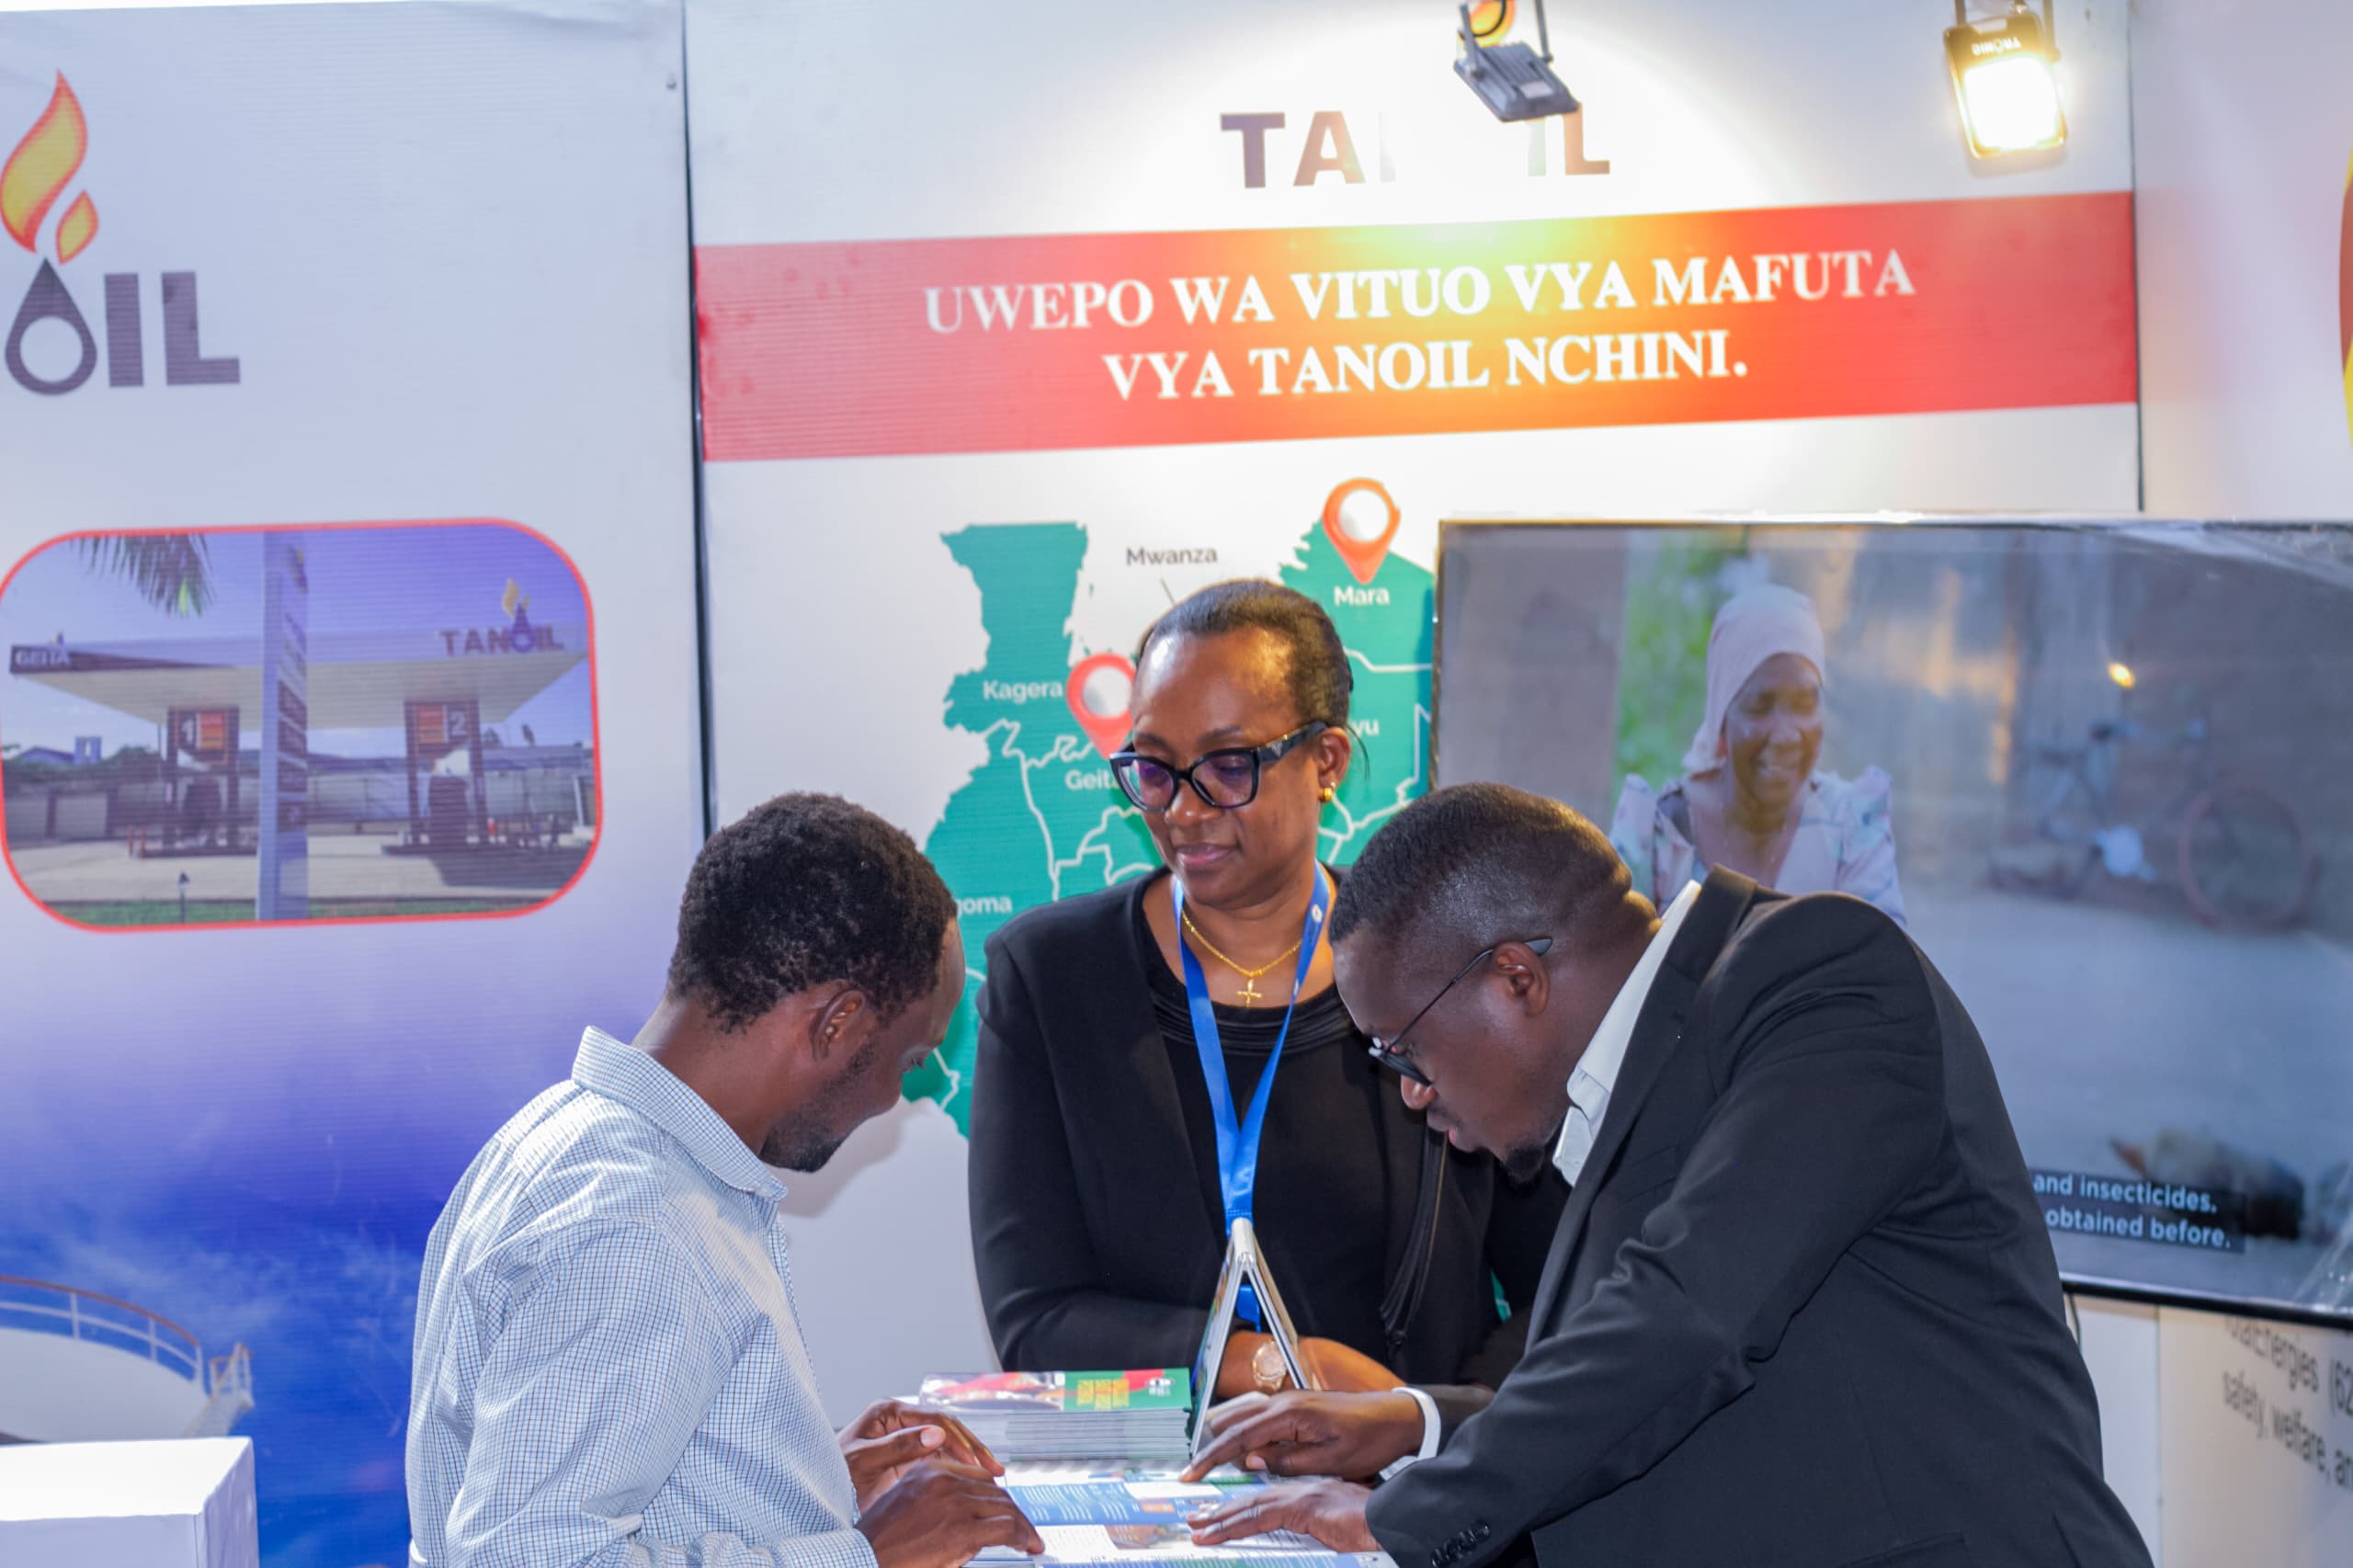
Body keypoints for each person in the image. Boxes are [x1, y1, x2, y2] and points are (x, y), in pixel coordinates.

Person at [1188, 783, 2151, 1568]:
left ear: (1515, 979)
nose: (1410, 1092)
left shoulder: (1820, 977)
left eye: (1402, 1049)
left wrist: (1403, 1514)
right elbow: (1658, 1383)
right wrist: (1417, 1423)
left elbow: (1691, 1316)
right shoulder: (1629, 1084)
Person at [968, 582, 1564, 1428]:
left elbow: (1564, 1282)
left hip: (1409, 1490)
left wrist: (1424, 1425)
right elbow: (1035, 1320)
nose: (1183, 810)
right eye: (1154, 768)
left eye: (1227, 766)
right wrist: (1277, 1367)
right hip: (1160, 1490)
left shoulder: (1444, 969)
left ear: (1327, 761)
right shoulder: (1051, 979)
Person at [407, 793, 1044, 1568]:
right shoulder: (641, 1229)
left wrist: (804, 1480)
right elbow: (529, 1559)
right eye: (908, 1062)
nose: (893, 1099)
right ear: (837, 1023)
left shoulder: (565, 1138)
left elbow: (598, 1482)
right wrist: (864, 1557)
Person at [1610, 581, 1906, 924]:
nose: (1786, 735)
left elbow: (1884, 953)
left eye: (1804, 703)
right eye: (1759, 706)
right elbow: (1613, 951)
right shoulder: (1657, 833)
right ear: (1721, 719)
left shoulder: (1853, 830)